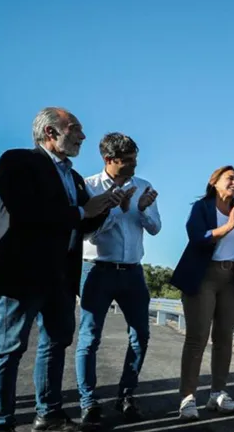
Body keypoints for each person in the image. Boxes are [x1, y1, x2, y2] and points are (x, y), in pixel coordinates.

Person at [0, 108, 121, 432]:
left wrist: (103, 208)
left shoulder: (75, 177)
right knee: (9, 348)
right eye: (75, 128)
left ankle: (49, 415)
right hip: (21, 273)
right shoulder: (18, 161)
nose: (83, 136)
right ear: (51, 132)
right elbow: (26, 211)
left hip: (60, 277)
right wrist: (82, 210)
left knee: (56, 343)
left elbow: (79, 225)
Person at [76, 132, 161, 428]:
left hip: (133, 271)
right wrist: (115, 210)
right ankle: (88, 402)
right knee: (89, 338)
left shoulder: (144, 186)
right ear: (109, 159)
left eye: (135, 158)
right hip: (96, 270)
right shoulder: (88, 186)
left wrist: (141, 210)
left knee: (141, 335)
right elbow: (87, 233)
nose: (134, 164)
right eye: (128, 160)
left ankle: (126, 395)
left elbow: (155, 228)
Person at [168, 165, 234, 420]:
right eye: (230, 178)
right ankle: (188, 397)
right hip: (203, 277)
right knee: (197, 338)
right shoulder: (202, 208)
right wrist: (228, 225)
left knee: (224, 338)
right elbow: (197, 237)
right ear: (215, 182)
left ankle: (218, 393)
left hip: (231, 279)